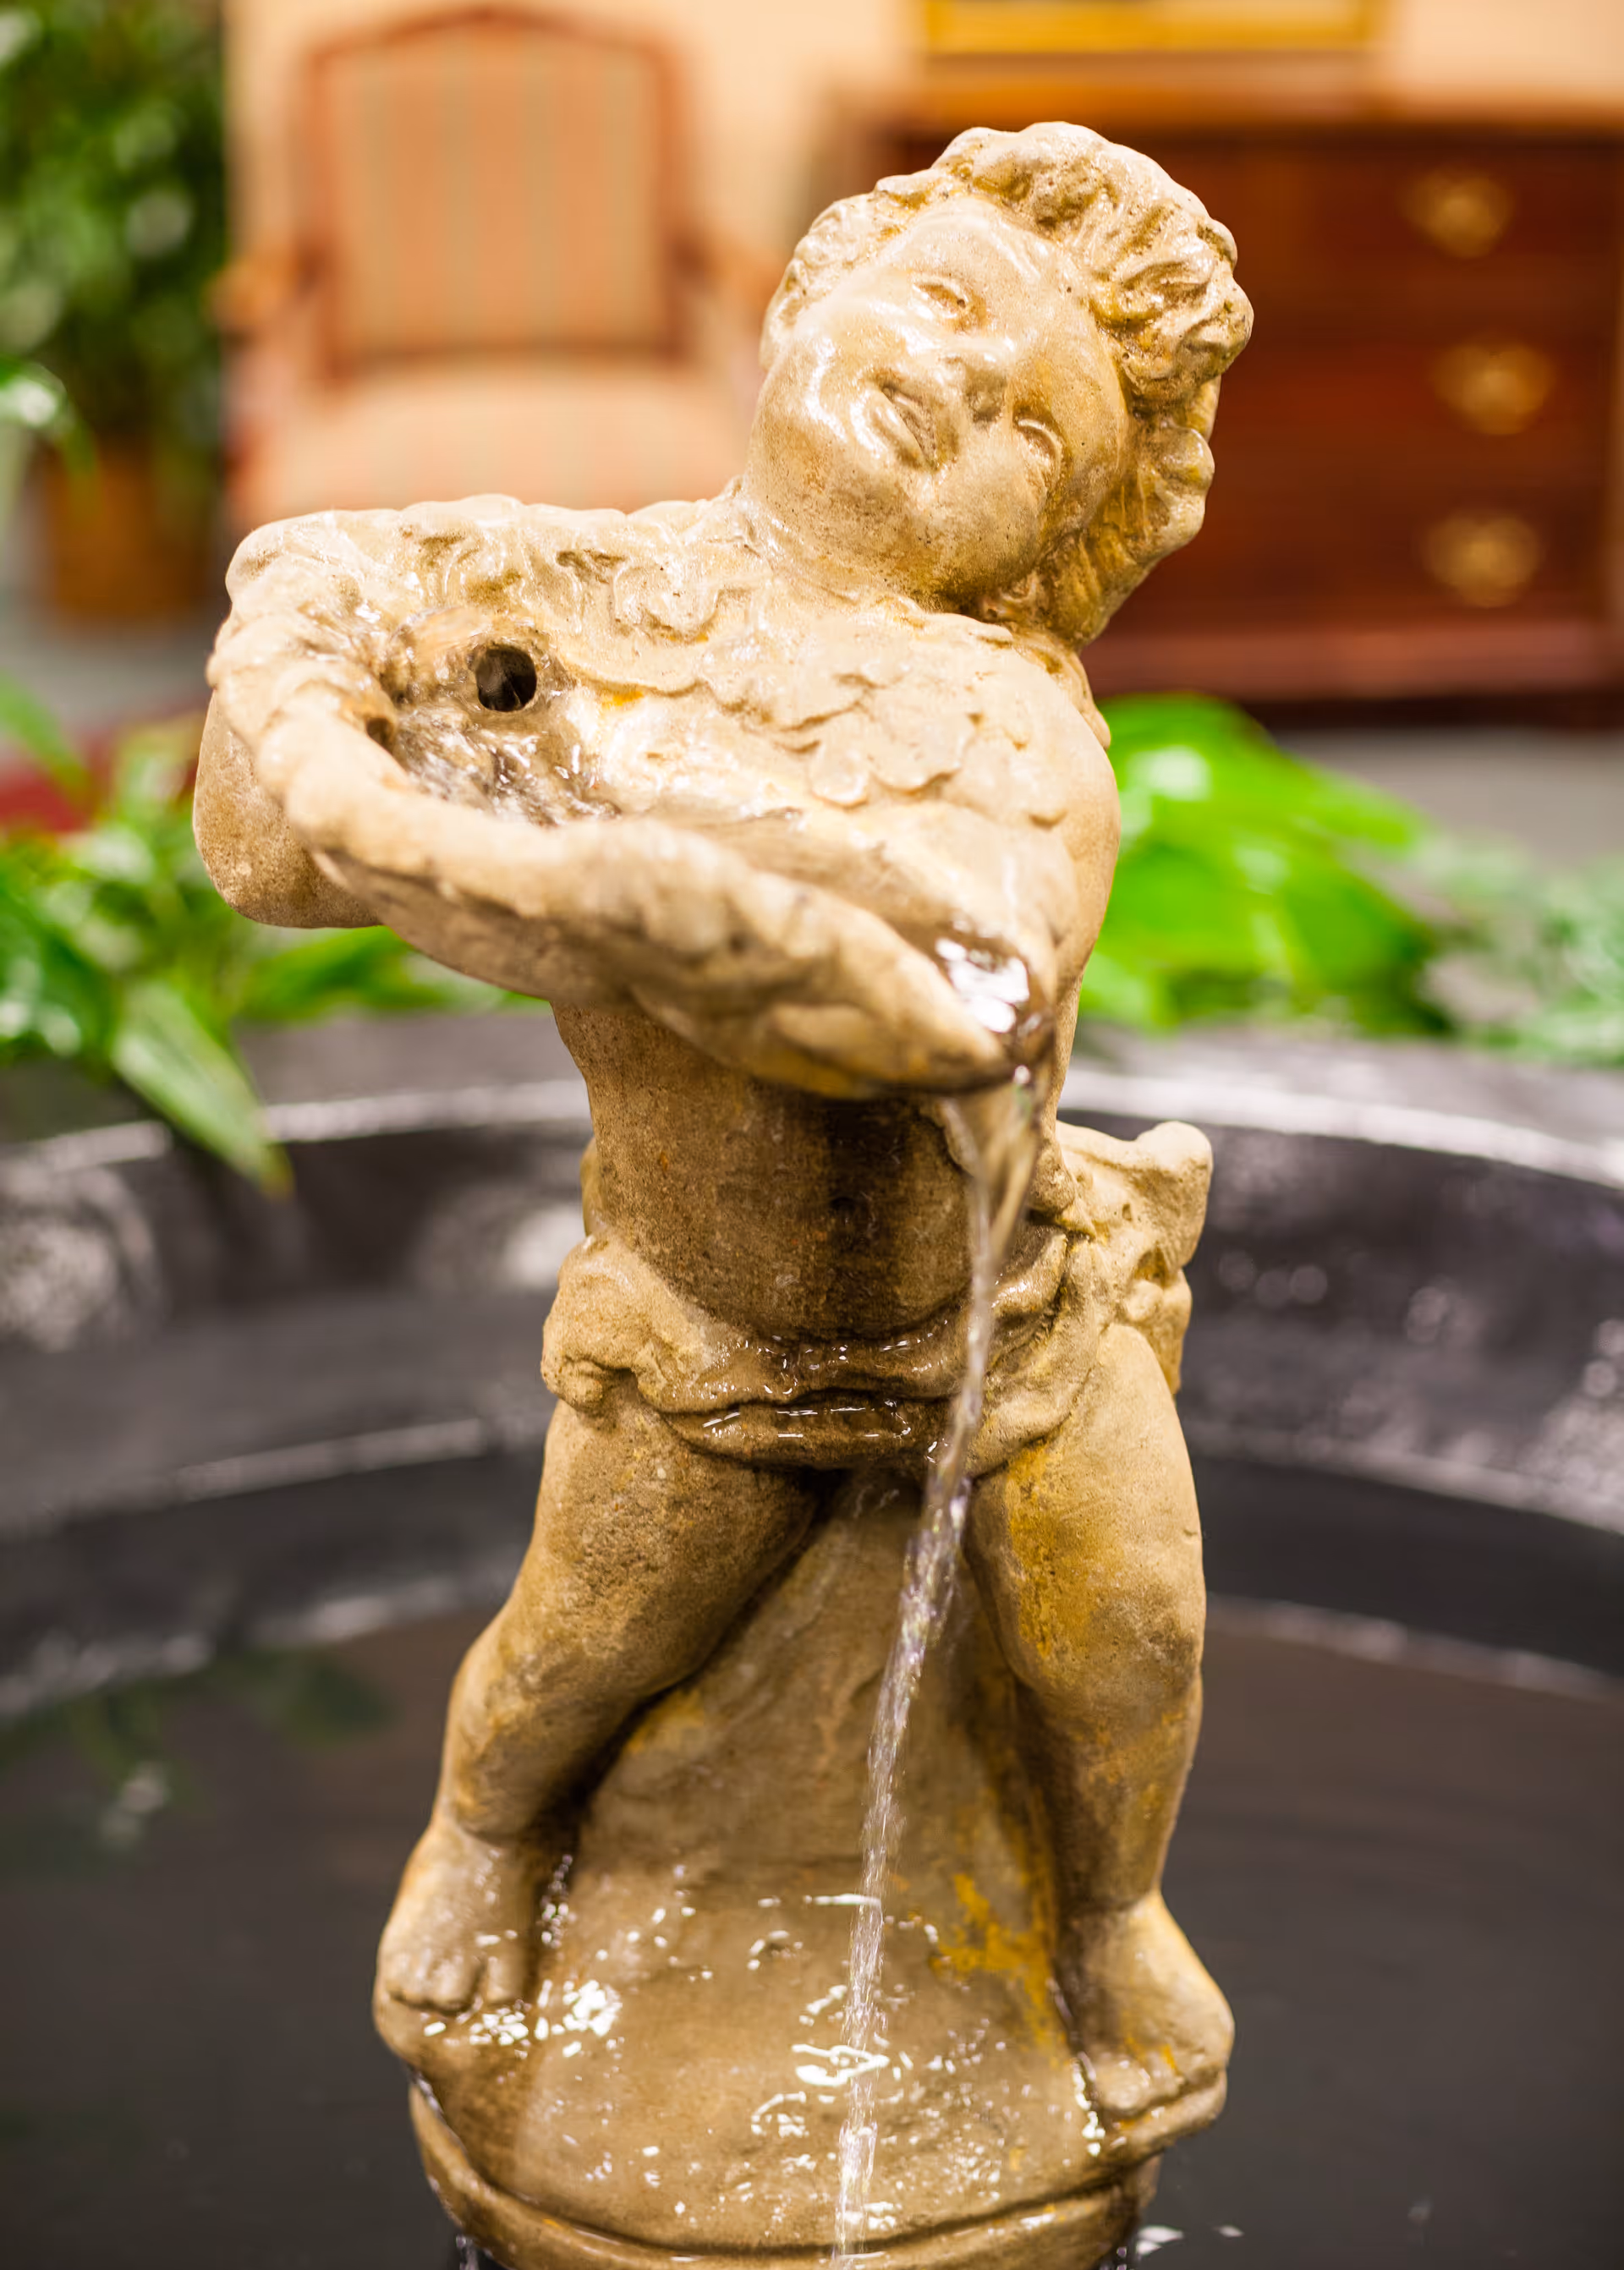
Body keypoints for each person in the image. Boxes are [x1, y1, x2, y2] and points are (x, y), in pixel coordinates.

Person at [197, 123, 1251, 2129]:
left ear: (1046, 545)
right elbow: (270, 816)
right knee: (561, 1663)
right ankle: (483, 1840)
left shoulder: (998, 711)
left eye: (1029, 419)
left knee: (1134, 1635)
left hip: (1004, 1328)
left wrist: (608, 857)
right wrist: (324, 699)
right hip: (708, 1334)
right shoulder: (567, 586)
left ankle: (1112, 1912)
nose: (954, 377)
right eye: (941, 302)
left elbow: (961, 990)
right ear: (804, 288)